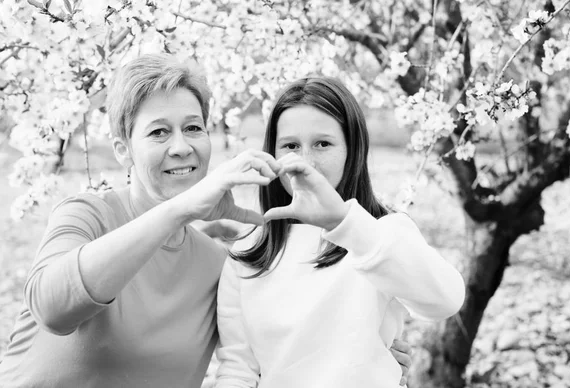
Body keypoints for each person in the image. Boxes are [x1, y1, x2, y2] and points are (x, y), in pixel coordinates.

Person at [0, 55, 411, 387]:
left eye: (193, 127)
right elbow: (53, 308)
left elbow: (266, 350)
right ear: (123, 149)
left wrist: (363, 350)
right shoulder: (87, 214)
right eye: (159, 133)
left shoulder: (215, 264)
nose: (181, 147)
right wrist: (182, 209)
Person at [214, 77, 466, 388]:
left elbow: (445, 300)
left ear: (352, 150)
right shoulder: (249, 252)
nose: (304, 161)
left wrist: (343, 224)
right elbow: (237, 371)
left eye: (323, 144)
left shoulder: (379, 235)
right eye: (290, 146)